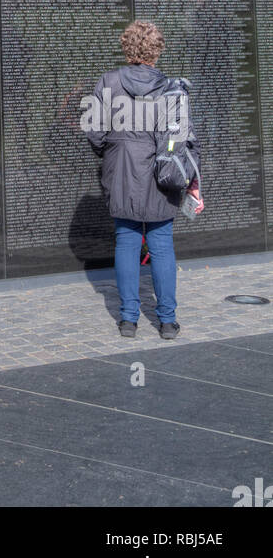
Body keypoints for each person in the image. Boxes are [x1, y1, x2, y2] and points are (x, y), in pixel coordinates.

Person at [85, 19, 202, 340]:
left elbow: (93, 132)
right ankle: (166, 321)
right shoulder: (171, 88)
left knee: (127, 241)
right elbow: (184, 139)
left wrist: (112, 152)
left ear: (127, 47)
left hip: (121, 169)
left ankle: (128, 320)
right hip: (162, 174)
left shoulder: (107, 83)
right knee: (162, 244)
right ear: (157, 50)